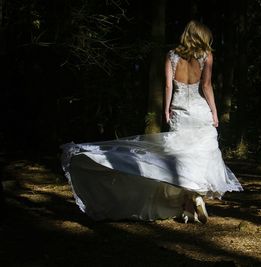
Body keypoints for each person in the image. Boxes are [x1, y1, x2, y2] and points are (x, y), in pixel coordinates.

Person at [61, 20, 242, 224]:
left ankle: (189, 204)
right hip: (200, 111)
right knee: (199, 155)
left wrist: (166, 109)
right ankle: (195, 196)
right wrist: (215, 112)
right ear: (202, 36)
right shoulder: (206, 56)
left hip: (180, 111)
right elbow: (207, 85)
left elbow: (167, 85)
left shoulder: (172, 56)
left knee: (180, 158)